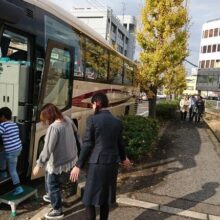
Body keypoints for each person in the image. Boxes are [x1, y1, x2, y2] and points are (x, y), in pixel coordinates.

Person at [70, 92, 132, 220]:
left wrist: (78, 165)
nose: (92, 107)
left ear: (96, 103)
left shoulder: (92, 120)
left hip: (97, 164)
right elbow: (120, 143)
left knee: (88, 200)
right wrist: (124, 158)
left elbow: (87, 144)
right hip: (112, 164)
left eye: (92, 104)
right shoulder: (117, 122)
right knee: (105, 198)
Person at [33, 103, 79, 219]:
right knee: (50, 178)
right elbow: (76, 133)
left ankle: (57, 210)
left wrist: (39, 164)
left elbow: (47, 149)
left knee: (53, 185)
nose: (46, 122)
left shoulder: (54, 128)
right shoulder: (67, 119)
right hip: (71, 159)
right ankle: (51, 195)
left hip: (58, 163)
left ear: (50, 116)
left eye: (46, 119)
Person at [0, 107, 23, 196]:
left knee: (13, 170)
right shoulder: (14, 124)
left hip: (11, 151)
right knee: (2, 155)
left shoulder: (3, 125)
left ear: (2, 117)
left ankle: (18, 188)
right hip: (17, 148)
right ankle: (3, 175)